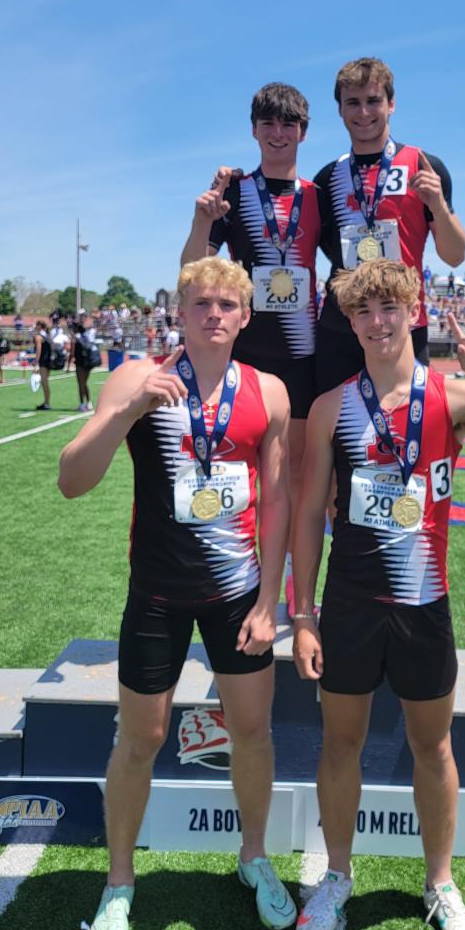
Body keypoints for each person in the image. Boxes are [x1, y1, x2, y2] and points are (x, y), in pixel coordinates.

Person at [290, 260, 465, 930]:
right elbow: (304, 519)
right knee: (340, 745)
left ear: (412, 311)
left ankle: (440, 884)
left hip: (424, 605)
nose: (378, 324)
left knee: (431, 746)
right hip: (350, 606)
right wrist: (303, 613)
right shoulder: (330, 408)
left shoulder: (454, 397)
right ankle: (338, 876)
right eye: (363, 313)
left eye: (389, 309)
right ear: (349, 324)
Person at [59, 257, 295, 930]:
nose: (214, 314)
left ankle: (252, 857)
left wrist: (270, 601)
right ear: (180, 312)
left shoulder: (270, 391)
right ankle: (120, 884)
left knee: (250, 733)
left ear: (246, 315)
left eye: (227, 303)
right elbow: (73, 478)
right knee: (141, 739)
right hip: (157, 596)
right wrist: (129, 411)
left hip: (237, 598)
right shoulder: (137, 377)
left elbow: (279, 500)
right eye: (201, 303)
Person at [181, 82, 321, 614]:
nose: (278, 133)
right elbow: (191, 270)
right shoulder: (234, 192)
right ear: (254, 129)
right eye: (269, 123)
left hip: (305, 359)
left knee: (300, 489)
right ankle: (241, 591)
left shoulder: (319, 194)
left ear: (303, 132)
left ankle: (297, 601)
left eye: (288, 124)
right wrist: (202, 219)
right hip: (246, 359)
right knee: (246, 484)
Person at [313, 57, 465, 394]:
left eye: (373, 101)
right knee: (335, 434)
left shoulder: (423, 165)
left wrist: (438, 205)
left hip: (404, 324)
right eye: (352, 102)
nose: (364, 112)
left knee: (407, 432)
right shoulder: (328, 177)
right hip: (342, 327)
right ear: (340, 110)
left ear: (391, 104)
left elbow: (455, 256)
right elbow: (324, 248)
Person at [73, 316, 102, 410]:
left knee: (81, 384)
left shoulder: (77, 338)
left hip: (80, 363)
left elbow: (72, 353)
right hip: (88, 363)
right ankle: (89, 402)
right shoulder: (87, 336)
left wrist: (69, 365)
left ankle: (82, 404)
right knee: (84, 383)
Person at [33, 320, 53, 408]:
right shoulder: (47, 335)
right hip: (48, 361)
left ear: (40, 326)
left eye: (36, 325)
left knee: (44, 382)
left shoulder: (39, 337)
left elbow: (38, 350)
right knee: (45, 382)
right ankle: (46, 402)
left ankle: (47, 403)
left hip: (43, 362)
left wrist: (36, 363)